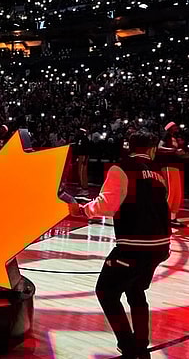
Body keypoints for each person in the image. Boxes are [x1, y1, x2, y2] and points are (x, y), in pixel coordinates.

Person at [68, 130, 171, 359]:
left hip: (134, 245)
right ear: (151, 149)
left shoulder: (121, 169)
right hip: (160, 246)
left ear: (129, 147)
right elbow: (167, 205)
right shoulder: (159, 173)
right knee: (136, 291)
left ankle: (128, 345)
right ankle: (141, 346)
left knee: (106, 291)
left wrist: (84, 209)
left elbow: (107, 205)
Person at [156, 122, 186, 228]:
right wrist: (173, 150)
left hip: (175, 166)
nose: (176, 127)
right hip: (168, 165)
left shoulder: (175, 137)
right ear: (169, 128)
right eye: (174, 126)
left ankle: (172, 217)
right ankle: (163, 216)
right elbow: (159, 148)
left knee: (177, 192)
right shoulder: (166, 136)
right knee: (170, 192)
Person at [73, 128, 90, 198]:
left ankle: (85, 189)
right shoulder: (80, 139)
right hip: (80, 156)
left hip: (84, 156)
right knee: (79, 172)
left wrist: (86, 159)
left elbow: (87, 150)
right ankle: (82, 186)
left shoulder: (85, 139)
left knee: (83, 173)